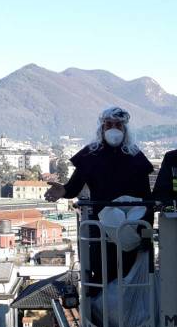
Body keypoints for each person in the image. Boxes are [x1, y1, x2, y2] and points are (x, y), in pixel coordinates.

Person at [45, 107, 153, 294]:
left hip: (131, 228)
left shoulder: (135, 156)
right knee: (102, 272)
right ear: (102, 128)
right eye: (109, 124)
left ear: (125, 128)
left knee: (131, 277)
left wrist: (146, 230)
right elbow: (74, 187)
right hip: (99, 229)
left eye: (118, 125)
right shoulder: (90, 154)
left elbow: (146, 197)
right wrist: (62, 190)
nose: (113, 129)